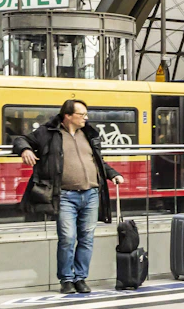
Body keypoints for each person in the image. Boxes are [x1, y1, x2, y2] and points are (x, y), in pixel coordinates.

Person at [15, 99, 123, 294]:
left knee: (86, 238)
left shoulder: (88, 134)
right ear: (68, 116)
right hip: (64, 195)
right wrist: (25, 149)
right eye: (81, 115)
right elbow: (20, 139)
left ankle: (80, 278)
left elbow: (98, 161)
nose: (86, 118)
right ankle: (66, 279)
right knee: (67, 237)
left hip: (91, 194)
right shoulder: (48, 133)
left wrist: (113, 174)